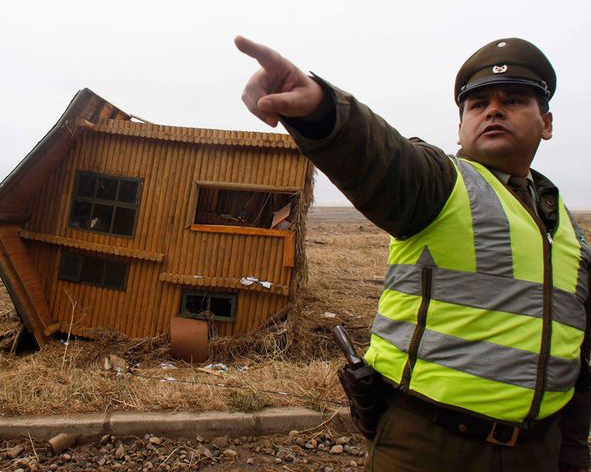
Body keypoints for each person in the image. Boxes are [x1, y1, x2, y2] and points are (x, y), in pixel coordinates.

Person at [235, 35, 591, 472]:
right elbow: (382, 160)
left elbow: (575, 355)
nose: (493, 110)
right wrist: (322, 111)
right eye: (477, 105)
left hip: (539, 450)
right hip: (429, 444)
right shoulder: (441, 183)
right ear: (460, 127)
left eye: (513, 100)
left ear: (547, 123)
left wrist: (572, 452)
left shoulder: (569, 231)